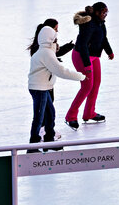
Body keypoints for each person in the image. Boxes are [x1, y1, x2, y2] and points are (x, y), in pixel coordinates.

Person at [27, 18, 85, 148]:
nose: (56, 37)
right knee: (39, 117)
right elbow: (61, 71)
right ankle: (33, 146)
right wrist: (80, 76)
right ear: (49, 38)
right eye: (54, 35)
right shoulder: (46, 53)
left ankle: (49, 139)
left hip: (43, 87)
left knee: (50, 113)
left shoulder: (47, 51)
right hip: (39, 88)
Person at [65, 2, 113, 129]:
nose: (105, 15)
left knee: (96, 84)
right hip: (82, 56)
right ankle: (71, 116)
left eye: (106, 12)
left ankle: (89, 113)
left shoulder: (100, 23)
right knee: (87, 86)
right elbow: (82, 45)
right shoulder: (89, 25)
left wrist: (109, 51)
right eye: (103, 12)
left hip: (94, 57)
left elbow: (104, 38)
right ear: (97, 12)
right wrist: (86, 65)